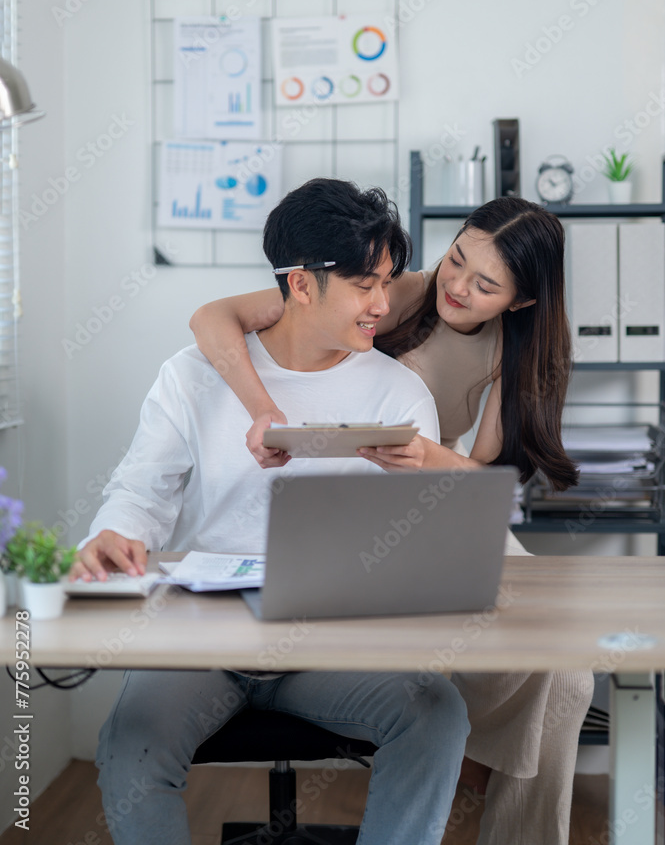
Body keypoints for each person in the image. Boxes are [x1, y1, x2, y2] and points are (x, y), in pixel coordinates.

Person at [73, 177, 470, 845]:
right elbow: (143, 488)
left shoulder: (397, 393)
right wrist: (115, 534)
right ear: (301, 285)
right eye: (363, 284)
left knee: (436, 714)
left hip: (327, 645)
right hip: (203, 638)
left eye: (387, 282)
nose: (383, 303)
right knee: (131, 743)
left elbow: (419, 542)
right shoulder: (193, 374)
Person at [189, 193, 594, 845]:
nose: (455, 286)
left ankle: (510, 821)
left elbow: (479, 479)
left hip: (436, 486)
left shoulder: (519, 347)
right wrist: (267, 413)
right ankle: (461, 748)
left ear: (519, 302)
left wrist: (426, 455)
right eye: (456, 258)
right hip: (353, 494)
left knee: (570, 673)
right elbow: (211, 318)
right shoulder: (389, 291)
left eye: (484, 284)